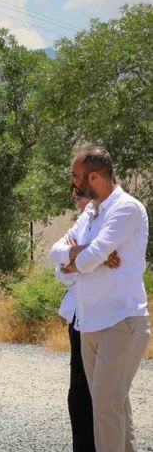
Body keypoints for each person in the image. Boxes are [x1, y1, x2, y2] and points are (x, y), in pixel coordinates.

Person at [49, 146, 150, 452]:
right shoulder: (92, 212)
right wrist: (81, 256)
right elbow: (57, 259)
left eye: (76, 176)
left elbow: (89, 257)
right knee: (113, 407)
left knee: (106, 408)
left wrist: (82, 256)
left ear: (93, 176)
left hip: (121, 322)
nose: (73, 182)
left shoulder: (126, 208)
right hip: (89, 323)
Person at [51, 192, 120, 452]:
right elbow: (60, 268)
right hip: (79, 317)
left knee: (106, 396)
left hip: (106, 318)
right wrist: (83, 258)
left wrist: (78, 260)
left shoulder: (114, 221)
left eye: (80, 194)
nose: (75, 198)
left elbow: (111, 263)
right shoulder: (80, 226)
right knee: (79, 392)